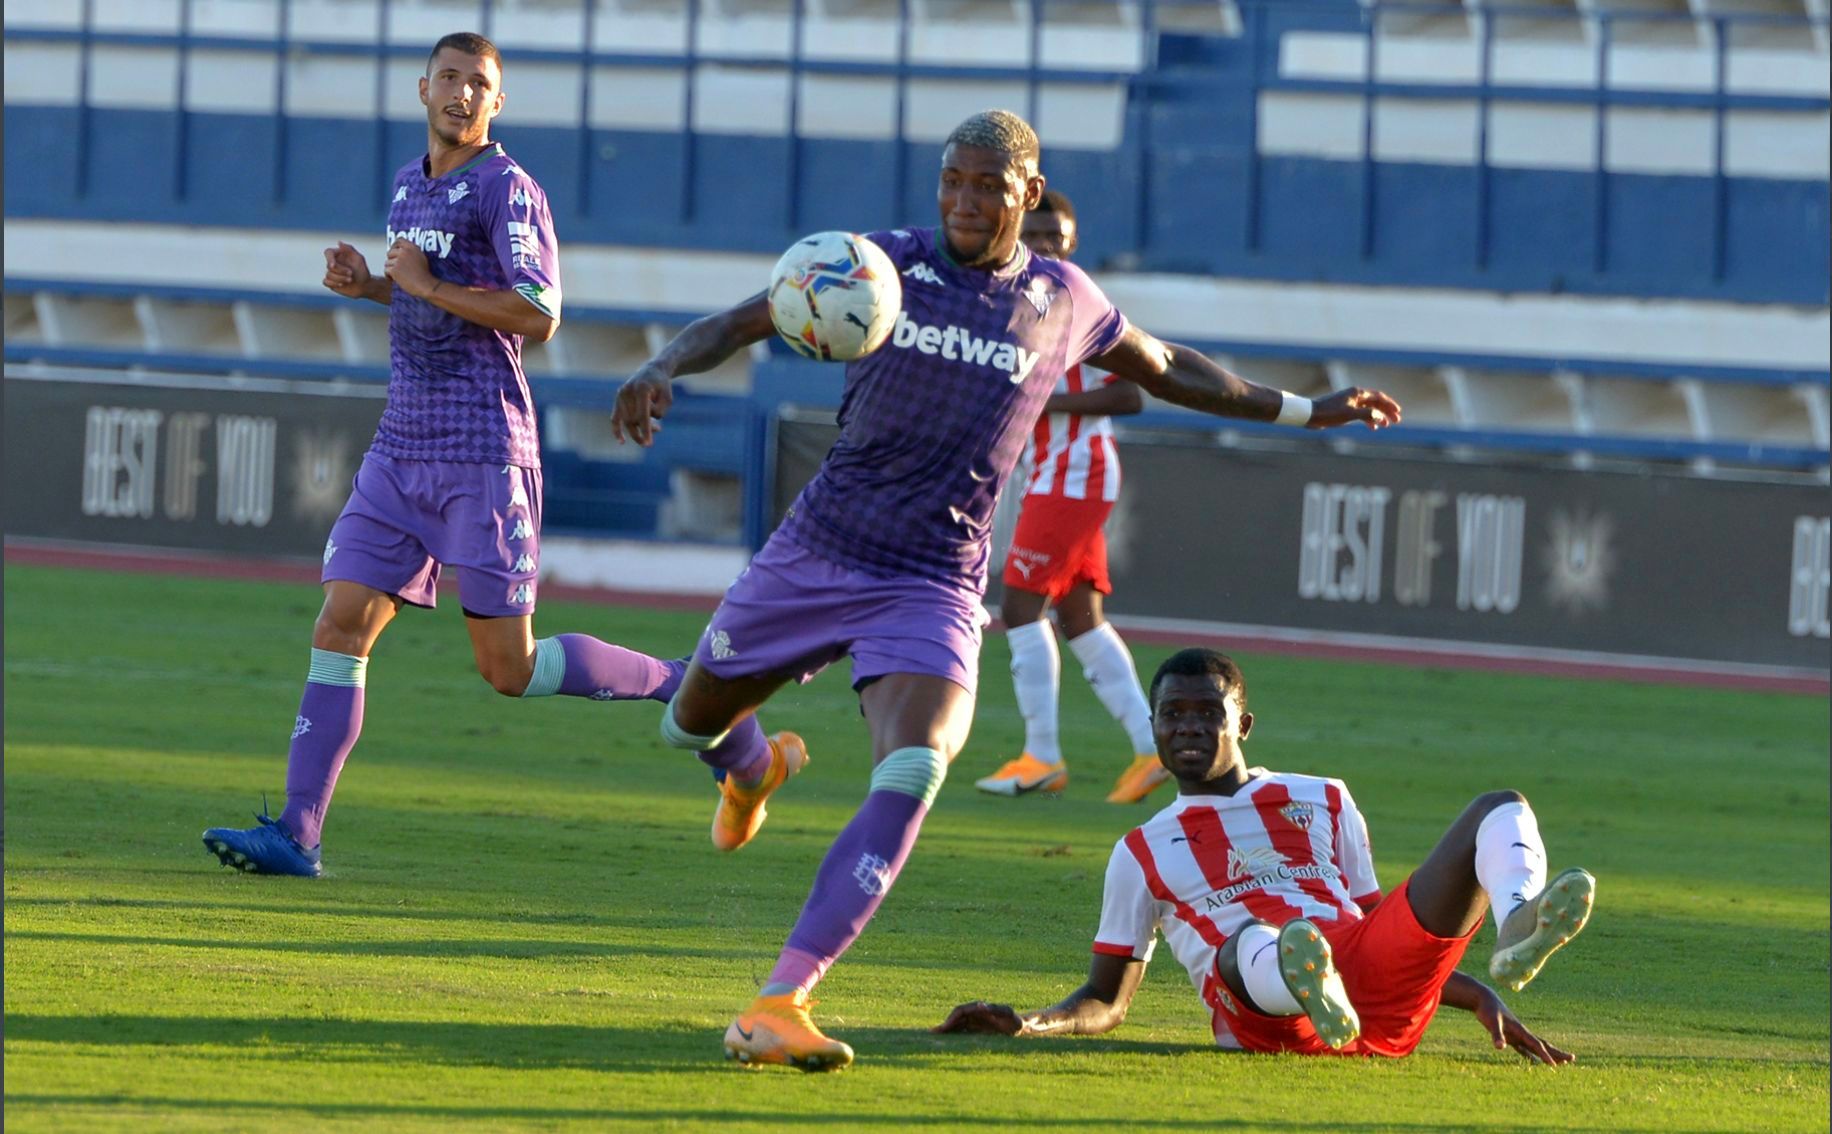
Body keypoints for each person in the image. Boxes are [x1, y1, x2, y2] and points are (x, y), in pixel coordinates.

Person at [607, 109, 1402, 1071]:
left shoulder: (1062, 297)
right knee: (687, 721)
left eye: (987, 186)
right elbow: (742, 319)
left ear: (1028, 192)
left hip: (935, 580)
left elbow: (1167, 368)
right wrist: (658, 366)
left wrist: (1306, 409)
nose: (964, 202)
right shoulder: (879, 268)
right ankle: (749, 768)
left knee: (916, 769)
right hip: (817, 551)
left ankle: (782, 1000)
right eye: (952, 182)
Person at [202, 32, 683, 878]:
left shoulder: (509, 189)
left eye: (480, 84)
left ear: (499, 103)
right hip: (401, 448)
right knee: (340, 623)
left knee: (509, 668)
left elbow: (538, 312)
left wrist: (420, 286)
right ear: (424, 88)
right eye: (451, 79)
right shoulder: (407, 183)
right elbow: (427, 285)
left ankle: (678, 681)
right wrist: (376, 285)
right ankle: (297, 836)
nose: (463, 94)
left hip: (483, 454)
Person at [935, 647, 1595, 1063]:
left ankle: (1517, 925)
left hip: (1370, 986)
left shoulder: (1325, 797)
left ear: (1242, 725)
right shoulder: (1139, 852)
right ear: (1154, 728)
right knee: (1248, 940)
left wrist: (1477, 994)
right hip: (1266, 1015)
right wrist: (1027, 1025)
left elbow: (1376, 922)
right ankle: (1303, 980)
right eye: (1172, 715)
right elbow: (1107, 1001)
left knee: (1497, 806)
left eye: (1207, 713)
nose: (1188, 726)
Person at [974, 189, 1165, 804]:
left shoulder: (1085, 309)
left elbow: (1131, 395)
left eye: (1056, 237)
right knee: (1081, 620)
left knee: (1021, 609)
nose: (1046, 247)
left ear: (1073, 243)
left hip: (1074, 475)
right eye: (1035, 237)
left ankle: (1042, 756)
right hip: (1056, 474)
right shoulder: (1015, 306)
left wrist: (1044, 403)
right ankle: (1149, 747)